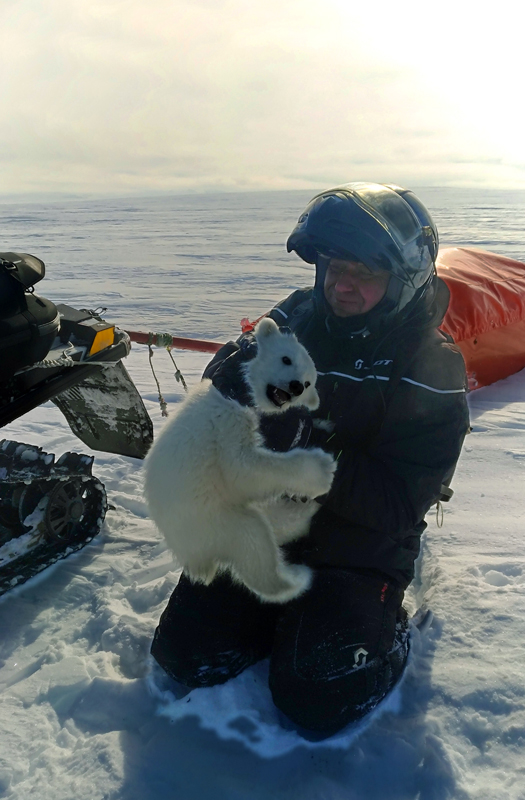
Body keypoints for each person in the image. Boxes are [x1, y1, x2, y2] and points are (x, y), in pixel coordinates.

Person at [150, 182, 470, 736]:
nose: (341, 287)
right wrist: (228, 380)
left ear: (403, 280)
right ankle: (282, 620)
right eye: (332, 267)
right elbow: (233, 378)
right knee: (185, 657)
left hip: (361, 546)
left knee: (317, 701)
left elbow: (398, 504)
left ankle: (383, 621)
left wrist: (309, 449)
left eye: (363, 275)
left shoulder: (431, 367)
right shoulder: (300, 312)